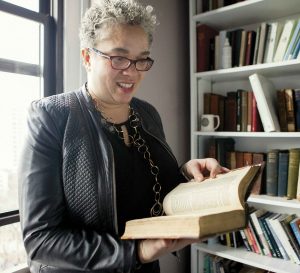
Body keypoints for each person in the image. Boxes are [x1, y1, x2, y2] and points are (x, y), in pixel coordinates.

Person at [18, 1, 227, 273]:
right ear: (87, 57)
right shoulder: (51, 116)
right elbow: (40, 240)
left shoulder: (147, 113)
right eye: (118, 57)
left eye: (142, 59)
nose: (132, 71)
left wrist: (188, 173)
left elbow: (155, 191)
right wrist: (136, 252)